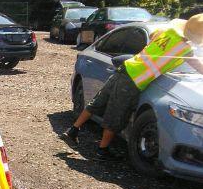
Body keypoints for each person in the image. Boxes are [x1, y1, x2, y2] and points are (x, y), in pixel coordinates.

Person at [61, 14, 203, 160]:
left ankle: (73, 130)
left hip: (126, 68)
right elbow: (200, 67)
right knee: (117, 115)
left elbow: (154, 35)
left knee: (98, 102)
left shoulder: (170, 32)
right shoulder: (186, 51)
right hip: (134, 80)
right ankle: (101, 150)